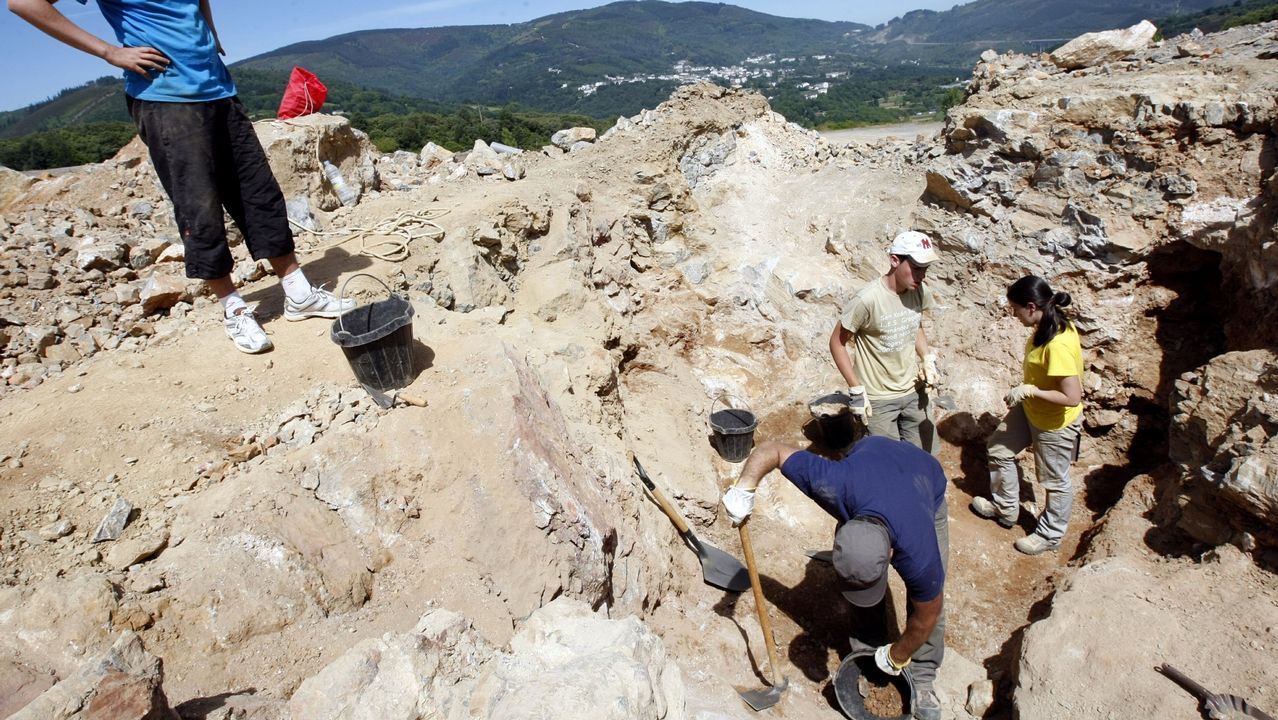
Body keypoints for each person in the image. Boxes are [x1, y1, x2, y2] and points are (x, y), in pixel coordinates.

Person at [9, 0, 354, 354]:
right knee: (198, 207)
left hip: (219, 90)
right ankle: (233, 307)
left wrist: (210, 31)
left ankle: (298, 293)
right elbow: (23, 3)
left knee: (258, 191)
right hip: (165, 99)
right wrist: (110, 52)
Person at [722, 436, 948, 720]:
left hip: (923, 479)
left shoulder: (919, 549)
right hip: (872, 454)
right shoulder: (834, 484)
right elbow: (773, 450)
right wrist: (744, 487)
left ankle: (924, 676)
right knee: (860, 583)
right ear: (843, 526)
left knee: (927, 600)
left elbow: (928, 614)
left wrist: (899, 655)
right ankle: (868, 651)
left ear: (891, 554)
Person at [969, 276, 1084, 555]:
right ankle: (1006, 508)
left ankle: (1050, 535)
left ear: (1031, 307)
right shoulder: (1043, 327)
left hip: (1055, 422)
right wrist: (1029, 392)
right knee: (998, 448)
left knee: (1054, 481)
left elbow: (1072, 396)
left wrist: (1031, 390)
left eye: (1016, 309)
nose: (1014, 314)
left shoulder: (1057, 343)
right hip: (1032, 409)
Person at [831, 230, 941, 453]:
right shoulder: (867, 299)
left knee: (923, 456)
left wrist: (926, 358)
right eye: (916, 268)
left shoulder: (919, 292)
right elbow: (837, 343)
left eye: (925, 270)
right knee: (886, 462)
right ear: (894, 260)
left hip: (913, 390)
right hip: (879, 398)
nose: (921, 276)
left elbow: (915, 326)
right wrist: (856, 389)